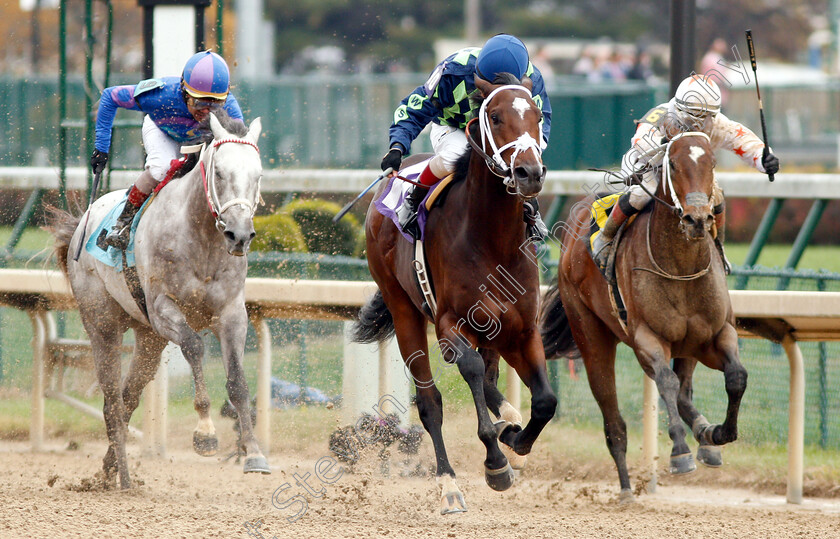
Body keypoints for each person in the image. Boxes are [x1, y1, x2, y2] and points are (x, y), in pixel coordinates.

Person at [592, 74, 780, 273]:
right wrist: (665, 145)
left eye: (705, 118)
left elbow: (743, 140)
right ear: (679, 109)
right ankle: (606, 237)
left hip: (690, 169)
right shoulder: (662, 115)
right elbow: (641, 140)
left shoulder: (718, 123)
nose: (698, 124)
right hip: (650, 163)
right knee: (641, 194)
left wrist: (764, 159)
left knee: (715, 194)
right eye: (692, 117)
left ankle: (719, 248)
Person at [380, 33, 552, 241]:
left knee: (519, 163)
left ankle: (531, 207)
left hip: (501, 135)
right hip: (453, 127)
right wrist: (397, 146)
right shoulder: (454, 69)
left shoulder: (533, 80)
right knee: (455, 156)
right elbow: (416, 108)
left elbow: (541, 122)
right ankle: (413, 199)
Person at [90, 50, 244, 250]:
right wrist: (101, 148)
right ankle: (121, 224)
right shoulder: (159, 95)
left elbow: (237, 149)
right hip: (162, 130)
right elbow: (110, 96)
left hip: (200, 139)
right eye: (199, 102)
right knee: (161, 168)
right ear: (184, 91)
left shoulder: (230, 108)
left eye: (215, 105)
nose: (206, 111)